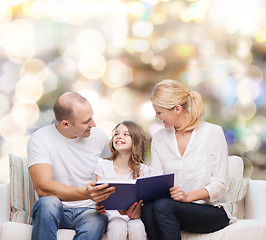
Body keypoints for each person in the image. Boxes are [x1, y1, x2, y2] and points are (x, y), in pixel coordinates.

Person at [141, 79, 232, 240]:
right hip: (172, 209)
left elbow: (221, 184)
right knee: (147, 209)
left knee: (162, 206)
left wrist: (187, 196)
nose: (156, 117)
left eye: (159, 112)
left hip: (211, 211)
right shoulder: (159, 138)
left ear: (177, 109)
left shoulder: (212, 133)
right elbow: (156, 180)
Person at [27, 92, 115, 240]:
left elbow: (119, 167)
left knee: (96, 220)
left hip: (90, 211)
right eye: (86, 121)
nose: (93, 124)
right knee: (48, 202)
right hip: (57, 209)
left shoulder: (99, 136)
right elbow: (43, 188)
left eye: (92, 117)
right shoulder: (40, 139)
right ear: (66, 124)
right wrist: (85, 193)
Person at [95, 120, 149, 240]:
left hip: (135, 216)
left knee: (137, 226)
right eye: (116, 134)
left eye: (126, 134)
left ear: (136, 140)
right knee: (118, 225)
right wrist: (98, 206)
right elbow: (98, 196)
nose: (119, 136)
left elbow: (146, 201)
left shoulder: (144, 170)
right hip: (111, 216)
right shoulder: (102, 165)